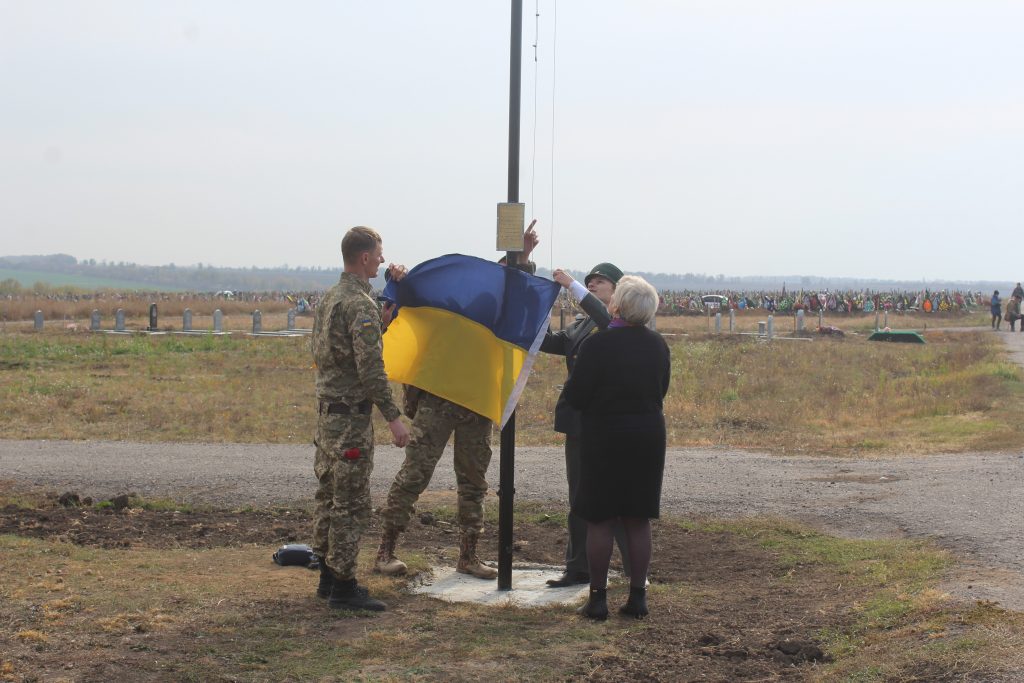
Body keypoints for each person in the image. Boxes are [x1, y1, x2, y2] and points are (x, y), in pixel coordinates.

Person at [373, 224, 540, 581]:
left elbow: (513, 287)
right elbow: (412, 294)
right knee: (414, 475)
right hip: (438, 403)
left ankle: (468, 556)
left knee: (473, 483)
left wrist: (522, 257)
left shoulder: (499, 318)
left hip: (476, 407)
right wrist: (398, 276)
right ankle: (385, 550)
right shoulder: (449, 310)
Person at [310, 226, 410, 612]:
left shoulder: (331, 298)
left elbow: (336, 352)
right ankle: (344, 587)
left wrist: (381, 322)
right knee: (351, 505)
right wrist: (393, 417)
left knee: (328, 497)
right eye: (379, 254)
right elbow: (370, 369)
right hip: (350, 421)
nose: (382, 260)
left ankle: (327, 577)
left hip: (328, 417)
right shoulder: (359, 305)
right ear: (365, 257)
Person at [563, 275, 671, 620]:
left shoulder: (597, 344)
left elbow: (576, 395)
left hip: (604, 435)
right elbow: (662, 389)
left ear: (618, 306)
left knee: (600, 518)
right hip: (647, 435)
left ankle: (597, 600)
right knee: (637, 518)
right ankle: (638, 597)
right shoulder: (658, 344)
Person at [541, 262, 632, 588]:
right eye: (589, 281)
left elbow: (607, 320)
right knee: (579, 497)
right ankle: (578, 567)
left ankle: (636, 569)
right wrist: (537, 310)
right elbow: (552, 342)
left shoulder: (621, 321)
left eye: (600, 281)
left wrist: (572, 285)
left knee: (615, 498)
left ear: (617, 290)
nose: (592, 284)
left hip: (608, 424)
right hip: (580, 423)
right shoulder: (582, 324)